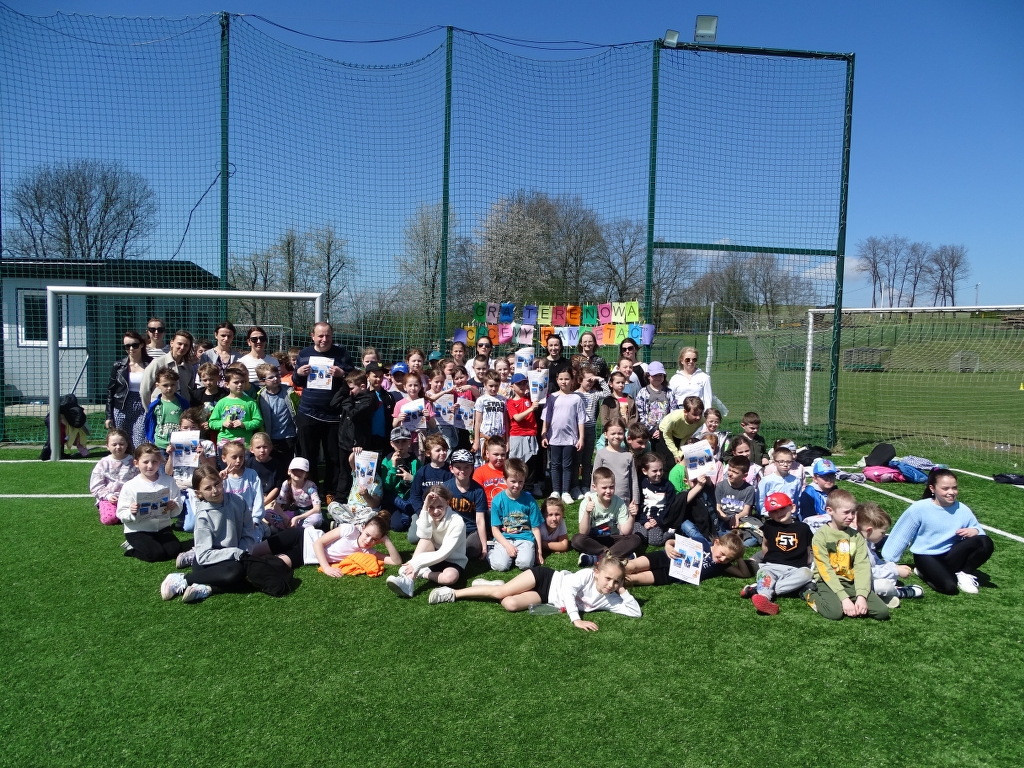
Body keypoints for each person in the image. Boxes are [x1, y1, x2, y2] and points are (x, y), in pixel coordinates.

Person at [160, 465, 298, 603]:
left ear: (222, 481)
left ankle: (208, 588)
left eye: (217, 484)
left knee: (245, 573)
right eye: (208, 488)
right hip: (209, 564)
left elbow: (248, 533)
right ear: (199, 493)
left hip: (235, 557)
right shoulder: (203, 515)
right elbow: (203, 556)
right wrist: (235, 553)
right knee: (235, 573)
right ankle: (183, 579)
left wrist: (242, 553)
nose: (215, 490)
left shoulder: (239, 501)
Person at [427, 552, 641, 632]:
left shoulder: (610, 598)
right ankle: (453, 593)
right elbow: (568, 591)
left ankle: (492, 585)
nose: (611, 584)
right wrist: (576, 619)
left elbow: (635, 612)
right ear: (597, 573)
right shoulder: (586, 575)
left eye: (616, 581)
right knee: (501, 593)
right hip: (545, 578)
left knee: (509, 604)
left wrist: (622, 590)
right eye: (608, 578)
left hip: (546, 597)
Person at [881, 469, 993, 596]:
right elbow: (901, 535)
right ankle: (923, 572)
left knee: (985, 542)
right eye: (945, 488)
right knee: (950, 587)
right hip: (926, 555)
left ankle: (964, 574)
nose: (951, 492)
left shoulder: (962, 509)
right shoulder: (919, 508)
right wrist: (889, 561)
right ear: (932, 488)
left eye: (954, 488)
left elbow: (980, 533)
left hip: (951, 554)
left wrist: (974, 530)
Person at [804, 489, 889, 620]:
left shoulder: (856, 536)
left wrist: (861, 596)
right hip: (827, 581)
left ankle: (852, 600)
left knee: (882, 612)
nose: (851, 516)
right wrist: (844, 598)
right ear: (830, 511)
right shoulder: (821, 536)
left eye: (853, 512)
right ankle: (808, 593)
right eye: (846, 512)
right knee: (834, 613)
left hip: (850, 581)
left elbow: (862, 566)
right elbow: (824, 569)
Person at [292, 322, 355, 499]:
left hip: (333, 415)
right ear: (312, 336)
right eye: (320, 335)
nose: (324, 339)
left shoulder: (342, 354)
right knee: (307, 455)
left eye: (328, 335)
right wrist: (299, 373)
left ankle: (330, 491)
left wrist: (342, 374)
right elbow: (296, 381)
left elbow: (353, 378)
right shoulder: (304, 354)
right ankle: (310, 490)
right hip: (308, 413)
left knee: (333, 457)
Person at [739, 492, 814, 615]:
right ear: (769, 514)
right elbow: (765, 544)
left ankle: (759, 590)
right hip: (771, 565)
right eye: (773, 511)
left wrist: (808, 562)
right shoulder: (769, 525)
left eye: (782, 508)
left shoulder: (803, 527)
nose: (778, 513)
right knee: (763, 572)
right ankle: (764, 597)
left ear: (792, 507)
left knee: (807, 574)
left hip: (795, 568)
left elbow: (808, 548)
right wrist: (767, 560)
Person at [386, 486, 467, 598]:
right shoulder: (427, 514)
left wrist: (416, 564)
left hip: (452, 559)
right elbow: (422, 535)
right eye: (431, 507)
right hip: (432, 554)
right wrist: (424, 508)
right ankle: (408, 580)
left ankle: (421, 572)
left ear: (447, 503)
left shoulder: (457, 521)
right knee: (425, 539)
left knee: (450, 578)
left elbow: (444, 553)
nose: (435, 511)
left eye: (439, 506)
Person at [117, 442, 183, 562]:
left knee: (175, 551)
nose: (150, 466)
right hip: (137, 530)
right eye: (145, 462)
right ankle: (131, 548)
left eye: (154, 462)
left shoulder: (168, 481)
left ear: (160, 462)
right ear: (136, 463)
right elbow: (121, 513)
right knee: (156, 554)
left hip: (162, 528)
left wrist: (174, 506)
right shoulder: (130, 486)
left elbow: (177, 508)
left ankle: (155, 542)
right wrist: (131, 512)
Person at [856, 501, 925, 605]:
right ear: (869, 530)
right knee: (885, 585)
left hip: (865, 580)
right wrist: (895, 570)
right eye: (882, 532)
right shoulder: (857, 546)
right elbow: (867, 572)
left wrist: (893, 567)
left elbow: (875, 561)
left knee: (889, 573)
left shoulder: (867, 541)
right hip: (857, 584)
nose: (884, 535)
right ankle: (899, 592)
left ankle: (880, 596)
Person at [624, 531, 751, 587]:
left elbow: (744, 574)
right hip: (664, 557)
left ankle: (615, 583)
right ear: (716, 543)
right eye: (722, 554)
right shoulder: (701, 542)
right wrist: (668, 546)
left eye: (728, 559)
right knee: (631, 566)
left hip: (671, 575)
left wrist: (738, 557)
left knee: (634, 579)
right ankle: (612, 570)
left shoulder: (721, 566)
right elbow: (672, 541)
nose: (723, 559)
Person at [573, 466, 643, 565]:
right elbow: (583, 532)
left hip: (613, 538)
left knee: (635, 539)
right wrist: (587, 512)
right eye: (604, 488)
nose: (608, 491)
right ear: (594, 487)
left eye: (611, 487)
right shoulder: (587, 502)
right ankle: (616, 555)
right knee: (577, 539)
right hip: (593, 539)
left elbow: (626, 532)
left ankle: (596, 558)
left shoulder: (619, 503)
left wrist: (632, 516)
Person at [487, 458, 544, 572]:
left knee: (525, 564)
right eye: (513, 481)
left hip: (525, 538)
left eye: (520, 481)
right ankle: (492, 552)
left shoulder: (530, 501)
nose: (517, 485)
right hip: (505, 538)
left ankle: (518, 556)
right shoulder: (497, 500)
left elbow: (535, 528)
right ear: (505, 479)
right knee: (501, 566)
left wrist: (539, 552)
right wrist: (507, 546)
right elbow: (495, 529)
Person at [542, 367, 586, 505]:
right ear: (557, 380)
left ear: (572, 380)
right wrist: (544, 434)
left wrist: (581, 438)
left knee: (567, 465)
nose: (564, 381)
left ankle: (566, 491)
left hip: (570, 439)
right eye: (561, 379)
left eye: (567, 379)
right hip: (554, 438)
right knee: (555, 465)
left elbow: (581, 419)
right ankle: (556, 490)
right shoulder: (552, 397)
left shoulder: (576, 398)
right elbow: (546, 417)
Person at [311, 512, 401, 577]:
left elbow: (396, 561)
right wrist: (326, 568)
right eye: (367, 535)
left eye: (374, 539)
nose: (368, 541)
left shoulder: (368, 552)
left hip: (307, 556)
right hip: (306, 540)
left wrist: (386, 540)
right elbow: (318, 543)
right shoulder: (350, 530)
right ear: (363, 528)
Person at [105, 330, 153, 449]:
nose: (131, 349)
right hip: (122, 405)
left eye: (134, 345)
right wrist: (108, 416)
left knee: (140, 442)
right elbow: (111, 391)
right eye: (127, 346)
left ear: (141, 345)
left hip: (143, 405)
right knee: (121, 443)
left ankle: (138, 461)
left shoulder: (150, 364)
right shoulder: (118, 366)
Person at [443, 449, 489, 560]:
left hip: (471, 529)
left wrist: (484, 547)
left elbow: (480, 520)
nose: (462, 471)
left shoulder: (478, 490)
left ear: (472, 468)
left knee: (471, 551)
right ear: (451, 468)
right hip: (452, 529)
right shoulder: (445, 487)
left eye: (466, 467)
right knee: (446, 548)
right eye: (458, 467)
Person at [90, 428, 137, 525]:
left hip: (130, 498)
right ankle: (106, 508)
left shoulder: (134, 461)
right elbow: (96, 485)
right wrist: (108, 496)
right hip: (111, 498)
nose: (118, 447)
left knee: (143, 515)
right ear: (107, 446)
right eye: (114, 444)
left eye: (121, 444)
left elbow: (140, 479)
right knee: (109, 519)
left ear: (127, 444)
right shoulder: (103, 463)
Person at [407, 433, 454, 528]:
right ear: (428, 453)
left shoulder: (451, 471)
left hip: (445, 511)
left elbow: (453, 494)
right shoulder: (421, 472)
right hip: (425, 510)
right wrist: (420, 512)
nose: (443, 452)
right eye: (438, 450)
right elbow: (415, 496)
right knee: (414, 535)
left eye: (444, 449)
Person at [507, 372, 543, 496]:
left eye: (524, 383)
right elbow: (517, 418)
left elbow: (542, 389)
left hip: (531, 434)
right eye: (519, 384)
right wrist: (531, 409)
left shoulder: (531, 398)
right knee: (517, 463)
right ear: (512, 386)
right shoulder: (511, 402)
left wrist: (539, 373)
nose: (522, 386)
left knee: (531, 463)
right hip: (517, 435)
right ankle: (515, 486)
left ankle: (528, 488)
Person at [634, 361, 676, 465]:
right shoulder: (643, 393)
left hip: (665, 432)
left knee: (665, 459)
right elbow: (641, 414)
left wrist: (662, 430)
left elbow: (673, 413)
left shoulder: (669, 392)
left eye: (660, 375)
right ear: (648, 376)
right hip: (648, 433)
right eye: (654, 375)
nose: (657, 378)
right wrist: (651, 431)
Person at [208, 368, 263, 446]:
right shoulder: (221, 402)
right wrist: (223, 423)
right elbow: (212, 422)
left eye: (242, 382)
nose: (240, 384)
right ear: (227, 384)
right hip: (224, 443)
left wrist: (244, 424)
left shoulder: (250, 402)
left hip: (244, 443)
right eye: (236, 382)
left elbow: (259, 421)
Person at [593, 417, 640, 511]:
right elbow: (594, 478)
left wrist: (636, 502)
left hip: (624, 501)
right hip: (605, 500)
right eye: (613, 433)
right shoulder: (601, 454)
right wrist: (592, 498)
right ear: (606, 434)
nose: (617, 436)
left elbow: (634, 480)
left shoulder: (628, 456)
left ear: (624, 434)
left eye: (620, 433)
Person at [255, 363, 298, 465]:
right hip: (271, 437)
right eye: (271, 377)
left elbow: (298, 407)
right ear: (262, 381)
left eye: (277, 376)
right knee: (275, 464)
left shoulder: (289, 392)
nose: (275, 379)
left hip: (289, 435)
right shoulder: (260, 396)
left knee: (288, 463)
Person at [140, 330, 196, 406]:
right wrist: (150, 409)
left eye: (186, 345)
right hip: (161, 409)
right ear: (171, 343)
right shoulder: (158, 363)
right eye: (179, 344)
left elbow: (191, 390)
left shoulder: (188, 367)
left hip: (183, 409)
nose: (182, 347)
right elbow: (144, 391)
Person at [380, 426, 418, 531]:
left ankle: (409, 513)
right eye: (397, 442)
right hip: (394, 498)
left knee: (403, 522)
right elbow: (386, 486)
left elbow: (420, 484)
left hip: (410, 496)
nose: (401, 445)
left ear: (409, 442)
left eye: (404, 441)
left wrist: (412, 478)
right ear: (391, 444)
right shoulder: (386, 461)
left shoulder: (415, 461)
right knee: (397, 526)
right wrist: (393, 467)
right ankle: (409, 512)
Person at [633, 452, 675, 548]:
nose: (659, 473)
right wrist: (644, 521)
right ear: (645, 471)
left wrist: (657, 520)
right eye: (655, 471)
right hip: (642, 519)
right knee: (640, 536)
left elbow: (669, 507)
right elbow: (638, 504)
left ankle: (670, 533)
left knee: (655, 541)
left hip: (658, 519)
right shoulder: (640, 484)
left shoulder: (668, 486)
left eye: (661, 470)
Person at [143, 368, 190, 453]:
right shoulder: (154, 405)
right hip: (160, 445)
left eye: (173, 385)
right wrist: (152, 440)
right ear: (157, 385)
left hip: (178, 444)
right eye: (165, 385)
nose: (169, 388)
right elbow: (151, 423)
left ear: (177, 384)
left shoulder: (183, 403)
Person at [269, 456, 322, 530]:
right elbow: (277, 506)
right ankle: (291, 526)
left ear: (306, 474)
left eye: (302, 471)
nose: (298, 473)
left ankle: (291, 528)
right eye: (295, 470)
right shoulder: (286, 484)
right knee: (267, 513)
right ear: (289, 471)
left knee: (317, 518)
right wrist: (285, 517)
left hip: (308, 513)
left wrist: (297, 518)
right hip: (294, 512)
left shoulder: (311, 486)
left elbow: (317, 508)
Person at [245, 431, 286, 510]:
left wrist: (263, 503)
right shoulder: (248, 464)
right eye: (258, 447)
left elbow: (277, 487)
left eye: (265, 447)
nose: (262, 450)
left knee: (269, 513)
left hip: (269, 499)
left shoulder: (277, 464)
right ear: (251, 449)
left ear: (270, 447)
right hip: (252, 497)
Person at [715, 456, 757, 533]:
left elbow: (746, 511)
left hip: (741, 519)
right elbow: (718, 508)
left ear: (744, 475)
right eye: (729, 470)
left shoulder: (749, 489)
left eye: (735, 472)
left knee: (752, 536)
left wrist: (736, 517)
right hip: (723, 518)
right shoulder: (721, 485)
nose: (730, 474)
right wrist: (728, 519)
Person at [472, 370, 509, 457]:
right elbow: (477, 422)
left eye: (496, 386)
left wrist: (507, 441)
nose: (494, 389)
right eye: (491, 386)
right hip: (485, 437)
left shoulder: (503, 400)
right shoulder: (481, 400)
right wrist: (476, 441)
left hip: (500, 438)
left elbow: (506, 421)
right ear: (485, 385)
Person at [659, 395, 705, 464]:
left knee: (680, 459)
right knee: (668, 460)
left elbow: (687, 435)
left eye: (700, 414)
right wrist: (675, 453)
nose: (698, 417)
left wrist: (680, 453)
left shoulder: (701, 421)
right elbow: (667, 434)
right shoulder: (675, 419)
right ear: (685, 412)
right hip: (666, 433)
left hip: (680, 436)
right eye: (695, 414)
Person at [759, 447, 803, 515]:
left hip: (789, 515)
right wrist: (765, 514)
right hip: (771, 515)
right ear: (774, 462)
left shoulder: (796, 481)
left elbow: (797, 499)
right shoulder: (766, 480)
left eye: (789, 462)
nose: (785, 465)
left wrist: (795, 513)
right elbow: (761, 500)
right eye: (781, 462)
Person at [667, 346, 712, 412]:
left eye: (694, 359)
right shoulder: (675, 378)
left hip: (697, 412)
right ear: (682, 361)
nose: (691, 362)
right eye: (687, 359)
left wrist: (706, 415)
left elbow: (708, 400)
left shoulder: (704, 377)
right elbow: (670, 398)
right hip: (679, 411)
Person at [200, 322, 239, 386]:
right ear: (216, 335)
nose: (226, 339)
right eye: (223, 335)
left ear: (233, 337)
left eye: (229, 336)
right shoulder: (207, 355)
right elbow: (201, 377)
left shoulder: (238, 357)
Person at [473, 436, 509, 506]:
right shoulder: (480, 472)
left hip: (507, 506)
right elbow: (476, 495)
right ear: (487, 454)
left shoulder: (509, 471)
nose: (500, 458)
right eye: (496, 454)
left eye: (503, 454)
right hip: (487, 507)